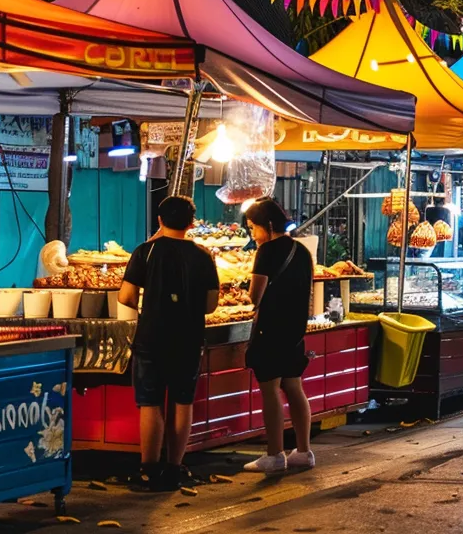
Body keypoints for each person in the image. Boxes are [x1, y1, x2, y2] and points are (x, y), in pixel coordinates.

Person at [118, 196, 220, 491]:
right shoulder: (203, 256)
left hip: (151, 337)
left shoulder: (145, 252)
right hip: (188, 338)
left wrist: (148, 305)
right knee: (182, 401)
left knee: (150, 403)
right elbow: (211, 305)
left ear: (159, 220)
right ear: (191, 223)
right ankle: (174, 468)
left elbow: (125, 297)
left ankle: (148, 470)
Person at [241, 198, 319, 474]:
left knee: (270, 390)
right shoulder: (301, 250)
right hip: (295, 329)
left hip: (270, 328)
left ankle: (274, 454)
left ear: (268, 225)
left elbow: (255, 295)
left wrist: (246, 288)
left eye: (253, 227)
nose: (252, 233)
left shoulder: (267, 251)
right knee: (294, 387)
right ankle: (303, 451)